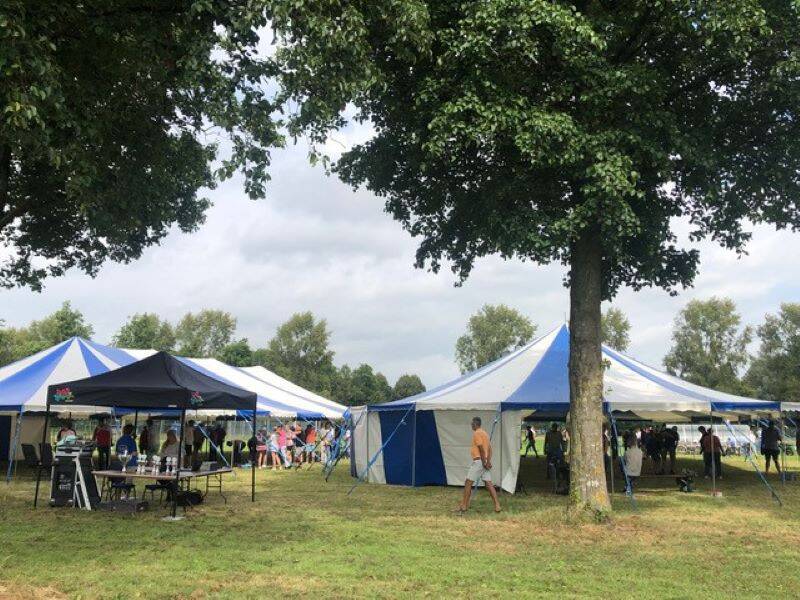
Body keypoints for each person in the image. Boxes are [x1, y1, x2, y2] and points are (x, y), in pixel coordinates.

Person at [456, 417, 500, 514]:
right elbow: (489, 450)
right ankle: (497, 505)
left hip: (479, 462)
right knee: (489, 484)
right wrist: (488, 461)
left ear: (476, 424)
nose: (471, 425)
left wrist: (484, 462)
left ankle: (464, 505)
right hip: (483, 461)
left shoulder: (477, 434)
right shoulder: (485, 434)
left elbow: (481, 448)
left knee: (468, 483)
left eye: (472, 424)